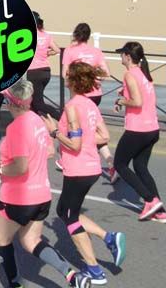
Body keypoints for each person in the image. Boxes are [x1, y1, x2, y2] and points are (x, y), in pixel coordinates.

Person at [0, 80, 92, 288]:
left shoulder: (16, 128)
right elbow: (49, 152)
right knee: (31, 241)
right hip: (42, 195)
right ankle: (73, 277)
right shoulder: (37, 121)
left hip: (17, 197)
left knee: (2, 241)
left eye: (6, 99)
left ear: (13, 104)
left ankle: (15, 284)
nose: (4, 103)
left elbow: (21, 167)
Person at [45, 61, 127, 284]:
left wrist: (54, 132)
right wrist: (84, 139)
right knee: (64, 210)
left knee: (69, 218)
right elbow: (104, 136)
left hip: (78, 168)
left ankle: (94, 270)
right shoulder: (90, 105)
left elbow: (75, 145)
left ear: (72, 80)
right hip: (90, 167)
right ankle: (109, 238)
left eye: (67, 74)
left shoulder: (72, 107)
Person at [113, 41, 166, 223]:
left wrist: (122, 102)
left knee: (120, 164)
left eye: (122, 54)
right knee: (140, 167)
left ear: (128, 57)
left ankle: (150, 200)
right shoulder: (144, 73)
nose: (120, 57)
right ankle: (160, 211)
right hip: (152, 128)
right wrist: (124, 94)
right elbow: (141, 94)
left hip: (138, 129)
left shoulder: (129, 74)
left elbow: (137, 102)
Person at [60, 23, 114, 171]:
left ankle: (75, 157)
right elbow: (106, 72)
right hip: (96, 94)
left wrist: (76, 81)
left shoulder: (70, 51)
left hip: (80, 95)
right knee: (92, 128)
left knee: (78, 129)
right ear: (89, 36)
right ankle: (110, 164)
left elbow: (65, 73)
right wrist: (92, 77)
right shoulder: (96, 51)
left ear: (75, 35)